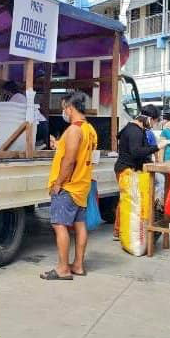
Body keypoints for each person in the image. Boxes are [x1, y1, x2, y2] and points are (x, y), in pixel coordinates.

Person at [41, 92, 98, 280]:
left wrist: (58, 183)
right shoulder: (90, 130)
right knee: (80, 224)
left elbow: (70, 160)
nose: (63, 112)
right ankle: (78, 265)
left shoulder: (74, 130)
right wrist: (60, 145)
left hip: (68, 186)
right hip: (82, 186)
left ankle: (63, 268)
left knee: (59, 225)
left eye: (64, 108)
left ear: (70, 108)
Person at [112, 105, 169, 239]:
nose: (154, 124)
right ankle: (119, 230)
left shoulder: (137, 129)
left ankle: (122, 229)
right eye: (154, 121)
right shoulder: (134, 131)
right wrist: (157, 147)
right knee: (127, 201)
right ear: (149, 118)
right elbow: (136, 151)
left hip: (131, 169)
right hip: (126, 169)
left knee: (128, 200)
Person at [0, 80, 49, 146]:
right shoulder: (20, 96)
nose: (3, 93)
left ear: (7, 90)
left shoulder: (15, 98)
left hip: (37, 125)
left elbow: (7, 112)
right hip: (43, 123)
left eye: (3, 91)